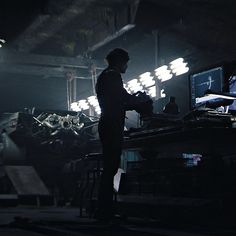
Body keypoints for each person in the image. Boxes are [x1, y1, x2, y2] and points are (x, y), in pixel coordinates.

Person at [95, 48, 139, 221]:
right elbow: (121, 100)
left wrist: (133, 101)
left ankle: (104, 209)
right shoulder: (112, 76)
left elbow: (121, 98)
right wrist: (139, 103)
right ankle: (105, 211)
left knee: (110, 167)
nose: (126, 65)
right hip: (112, 124)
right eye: (125, 62)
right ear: (120, 61)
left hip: (107, 122)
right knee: (110, 168)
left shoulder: (106, 76)